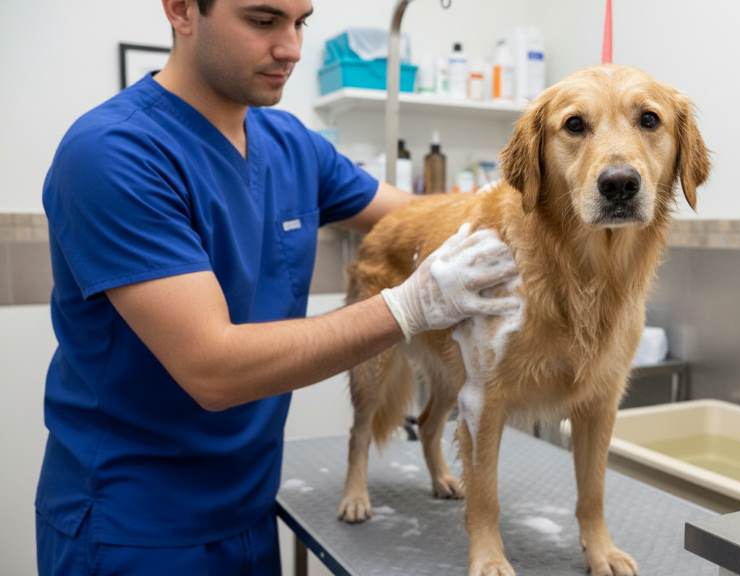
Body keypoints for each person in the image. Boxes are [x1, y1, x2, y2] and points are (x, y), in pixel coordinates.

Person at [34, 0, 520, 573]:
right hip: (136, 527)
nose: (291, 47)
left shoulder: (290, 143)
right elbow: (214, 369)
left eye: (300, 22)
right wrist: (410, 305)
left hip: (252, 507)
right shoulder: (114, 154)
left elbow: (418, 216)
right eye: (263, 21)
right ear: (182, 10)